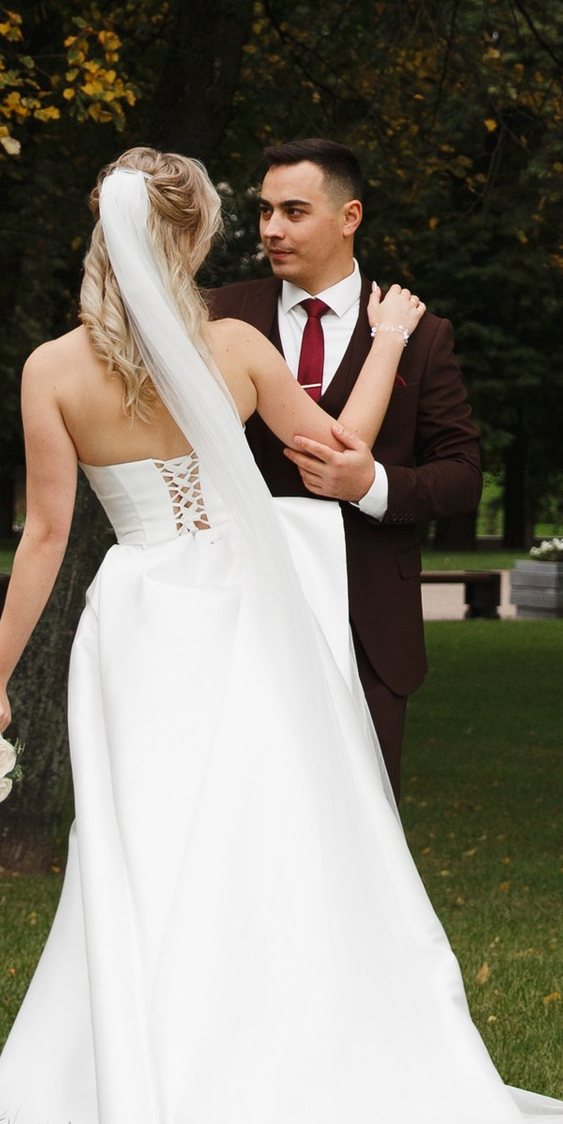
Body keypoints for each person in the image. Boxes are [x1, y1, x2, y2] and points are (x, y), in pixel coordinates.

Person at [0, 148, 563, 1124]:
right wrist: (384, 342)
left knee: (139, 839)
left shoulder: (50, 369)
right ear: (196, 237)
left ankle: (125, 1070)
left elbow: (43, 536)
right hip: (244, 607)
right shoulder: (238, 346)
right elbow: (339, 452)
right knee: (265, 829)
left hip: (138, 615)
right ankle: (275, 1050)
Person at [201, 136, 479, 797]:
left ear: (349, 216)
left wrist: (371, 485)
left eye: (293, 211)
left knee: (365, 829)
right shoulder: (213, 314)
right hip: (241, 611)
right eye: (264, 210)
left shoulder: (421, 333)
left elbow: (463, 472)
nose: (271, 228)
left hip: (369, 623)